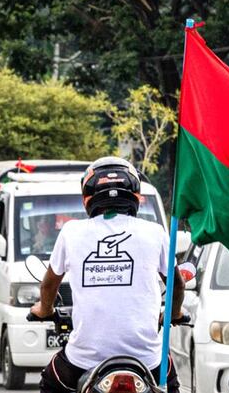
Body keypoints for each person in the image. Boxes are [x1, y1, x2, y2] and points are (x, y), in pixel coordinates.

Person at [30, 157, 185, 393]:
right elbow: (177, 285)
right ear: (136, 195)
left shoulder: (71, 232)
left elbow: (48, 286)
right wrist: (174, 314)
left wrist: (45, 310)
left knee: (51, 382)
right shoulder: (156, 233)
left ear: (87, 198)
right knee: (170, 385)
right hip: (148, 361)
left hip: (83, 361)